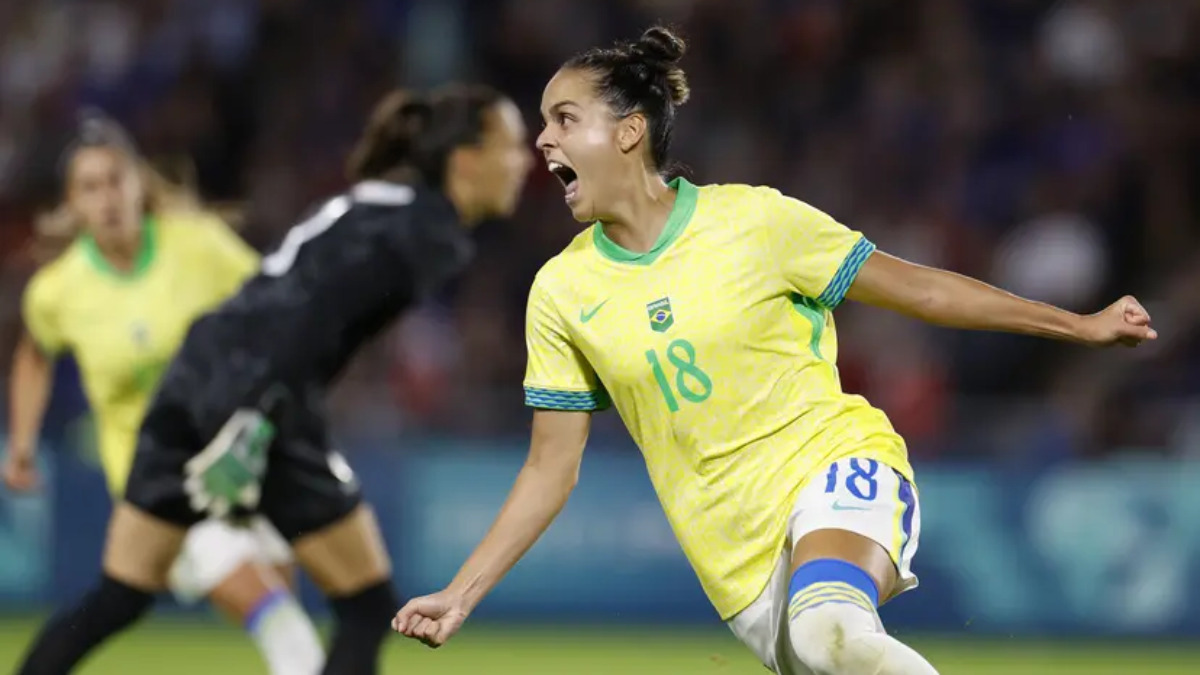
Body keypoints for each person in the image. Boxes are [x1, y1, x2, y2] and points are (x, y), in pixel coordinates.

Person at [391, 27, 1157, 675]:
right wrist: (462, 591)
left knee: (834, 626)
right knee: (827, 646)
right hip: (738, 565)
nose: (544, 139)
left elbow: (919, 289)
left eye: (563, 118)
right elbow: (549, 466)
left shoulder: (755, 222)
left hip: (836, 464)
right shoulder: (562, 292)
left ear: (627, 131)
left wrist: (1079, 325)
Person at [14, 83, 533, 675]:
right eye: (512, 145)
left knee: (121, 595)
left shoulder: (386, 202)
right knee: (365, 607)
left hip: (190, 387)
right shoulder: (428, 233)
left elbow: (273, 296)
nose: (527, 159)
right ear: (466, 160)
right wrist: (254, 421)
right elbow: (308, 321)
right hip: (255, 399)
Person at [4, 114, 325, 674]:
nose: (106, 199)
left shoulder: (196, 246)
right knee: (287, 633)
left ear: (139, 184)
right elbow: (35, 353)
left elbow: (275, 309)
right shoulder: (58, 292)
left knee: (276, 618)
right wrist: (24, 442)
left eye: (115, 180)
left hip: (244, 459)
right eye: (89, 187)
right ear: (71, 205)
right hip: (159, 483)